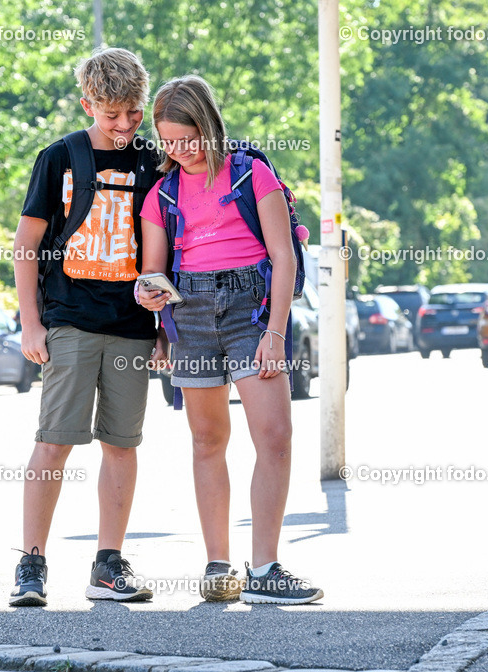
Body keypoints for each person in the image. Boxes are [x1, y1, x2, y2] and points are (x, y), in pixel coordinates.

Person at [137, 75, 323, 605]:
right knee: (207, 440)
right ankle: (219, 568)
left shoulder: (252, 174)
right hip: (190, 316)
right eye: (168, 142)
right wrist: (150, 299)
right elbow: (152, 272)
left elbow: (283, 256)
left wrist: (275, 333)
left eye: (188, 139)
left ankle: (264, 569)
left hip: (251, 310)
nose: (179, 151)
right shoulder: (163, 193)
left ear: (209, 125)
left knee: (275, 437)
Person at [9, 47, 166, 607]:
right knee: (53, 442)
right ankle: (31, 564)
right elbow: (26, 245)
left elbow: (160, 254)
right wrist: (31, 324)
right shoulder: (59, 158)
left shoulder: (153, 161)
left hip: (132, 326)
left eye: (133, 114)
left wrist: (164, 330)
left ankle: (107, 565)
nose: (123, 126)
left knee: (121, 445)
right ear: (88, 105)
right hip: (70, 322)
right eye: (111, 114)